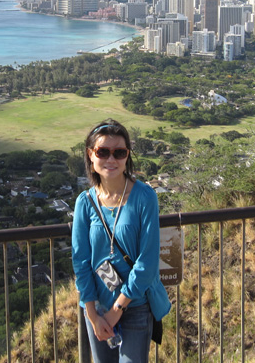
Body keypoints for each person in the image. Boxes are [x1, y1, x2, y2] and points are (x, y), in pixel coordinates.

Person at [72, 119, 171, 363]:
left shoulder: (144, 197)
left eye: (119, 152)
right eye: (103, 152)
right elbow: (81, 262)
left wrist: (118, 308)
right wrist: (92, 313)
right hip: (97, 309)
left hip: (135, 305)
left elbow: (147, 262)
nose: (111, 159)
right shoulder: (85, 202)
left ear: (127, 156)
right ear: (90, 155)